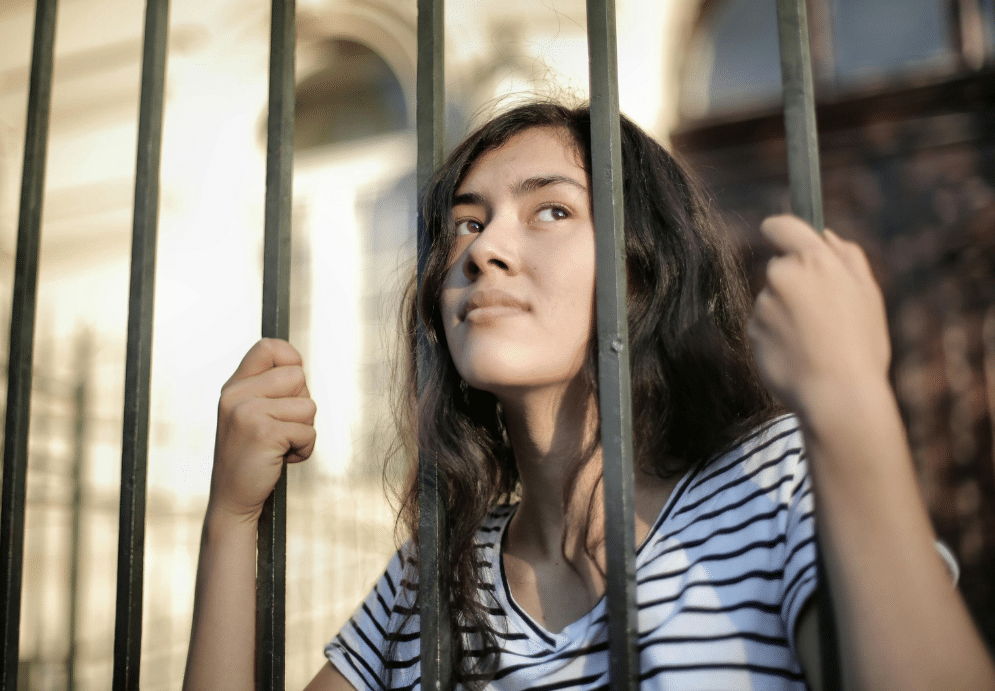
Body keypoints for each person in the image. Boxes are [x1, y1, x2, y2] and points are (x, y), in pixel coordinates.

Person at [183, 102, 995, 691]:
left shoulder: (768, 483)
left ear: (642, 274)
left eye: (551, 210)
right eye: (466, 223)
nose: (486, 250)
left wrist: (851, 408)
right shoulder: (432, 578)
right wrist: (230, 520)